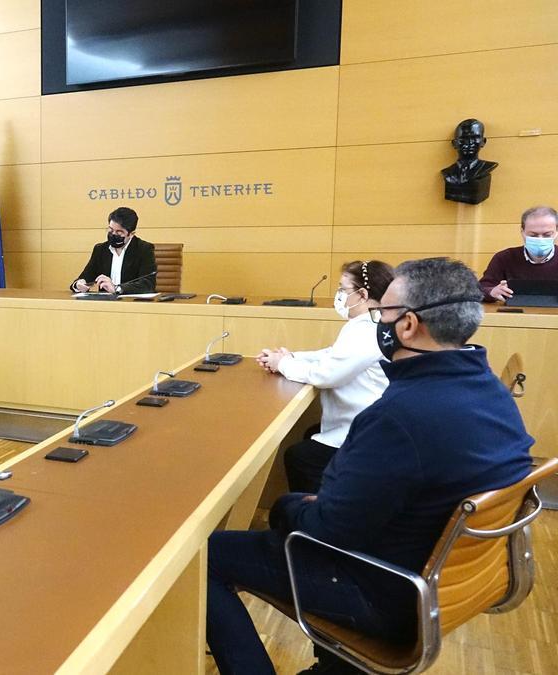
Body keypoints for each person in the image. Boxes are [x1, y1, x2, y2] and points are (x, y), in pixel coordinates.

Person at [207, 258, 533, 675]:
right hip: (440, 585)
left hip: (383, 592)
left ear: (409, 325)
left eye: (383, 314)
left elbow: (323, 532)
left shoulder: (398, 417)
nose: (377, 321)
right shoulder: (491, 391)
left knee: (208, 555)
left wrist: (288, 507)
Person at [256, 260, 395, 494]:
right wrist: (292, 357)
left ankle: (312, 523)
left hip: (364, 430)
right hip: (367, 422)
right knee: (311, 433)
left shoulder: (364, 330)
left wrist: (283, 364)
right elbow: (333, 355)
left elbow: (326, 374)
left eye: (343, 289)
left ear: (362, 294)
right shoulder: (372, 323)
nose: (339, 295)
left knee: (300, 456)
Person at [69, 206, 157, 294]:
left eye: (119, 232)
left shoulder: (144, 249)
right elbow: (85, 277)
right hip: (106, 305)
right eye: (110, 230)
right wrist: (78, 284)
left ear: (131, 234)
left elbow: (148, 284)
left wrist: (117, 289)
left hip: (132, 304)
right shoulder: (100, 250)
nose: (113, 234)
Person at [479, 205, 558, 302]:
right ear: (522, 232)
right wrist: (492, 292)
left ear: (556, 232)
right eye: (533, 235)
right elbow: (480, 289)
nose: (540, 239)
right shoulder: (504, 257)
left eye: (547, 235)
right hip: (514, 315)